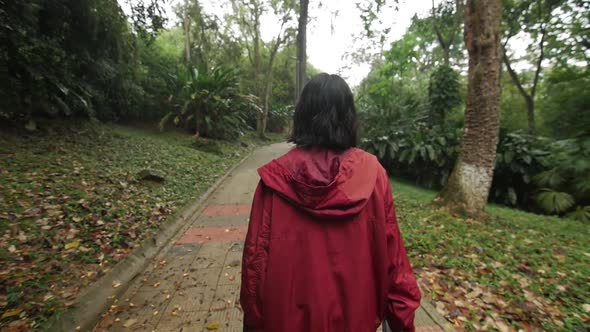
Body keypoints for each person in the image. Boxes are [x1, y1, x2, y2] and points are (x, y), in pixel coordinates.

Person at [240, 73, 421, 332]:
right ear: (349, 116)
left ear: (302, 115)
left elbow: (254, 268)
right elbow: (395, 263)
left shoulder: (273, 182)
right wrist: (401, 322)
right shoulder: (374, 175)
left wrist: (254, 323)